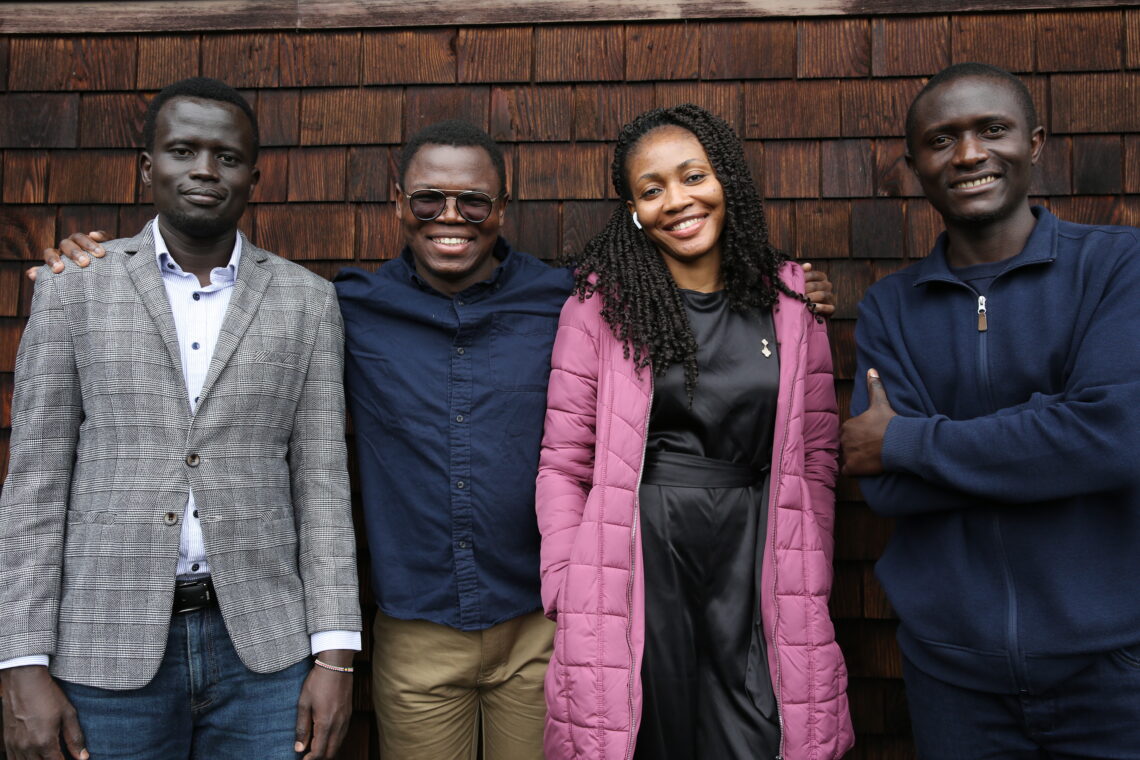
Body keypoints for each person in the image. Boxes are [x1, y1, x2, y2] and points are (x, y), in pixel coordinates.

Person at [38, 119, 837, 760]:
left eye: (473, 202)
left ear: (503, 205)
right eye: (428, 200)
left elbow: (677, 318)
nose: (450, 218)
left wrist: (791, 291)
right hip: (416, 632)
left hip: (539, 626)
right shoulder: (338, 305)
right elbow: (240, 302)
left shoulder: (573, 300)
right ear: (397, 202)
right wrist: (96, 261)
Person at [0, 77, 361, 760]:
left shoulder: (307, 303)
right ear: (148, 166)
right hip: (103, 650)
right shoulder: (73, 288)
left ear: (254, 175)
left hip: (264, 652)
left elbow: (323, 488)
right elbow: (34, 489)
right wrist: (20, 661)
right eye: (182, 151)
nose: (204, 170)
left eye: (225, 157)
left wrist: (336, 655)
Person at [536, 103, 853, 760]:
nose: (676, 201)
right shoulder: (599, 308)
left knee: (759, 732)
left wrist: (809, 559)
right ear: (632, 208)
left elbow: (818, 454)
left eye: (692, 177)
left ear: (726, 181)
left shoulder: (792, 303)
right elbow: (565, 461)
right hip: (636, 555)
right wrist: (569, 579)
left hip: (756, 549)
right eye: (651, 190)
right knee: (647, 734)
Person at [842, 62, 1140, 759]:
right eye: (942, 140)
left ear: (1034, 144)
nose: (969, 154)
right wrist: (1045, 436)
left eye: (991, 130)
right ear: (914, 164)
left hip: (1112, 670)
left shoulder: (1119, 267)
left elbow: (1110, 438)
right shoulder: (891, 305)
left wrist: (909, 443)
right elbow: (882, 485)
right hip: (953, 678)